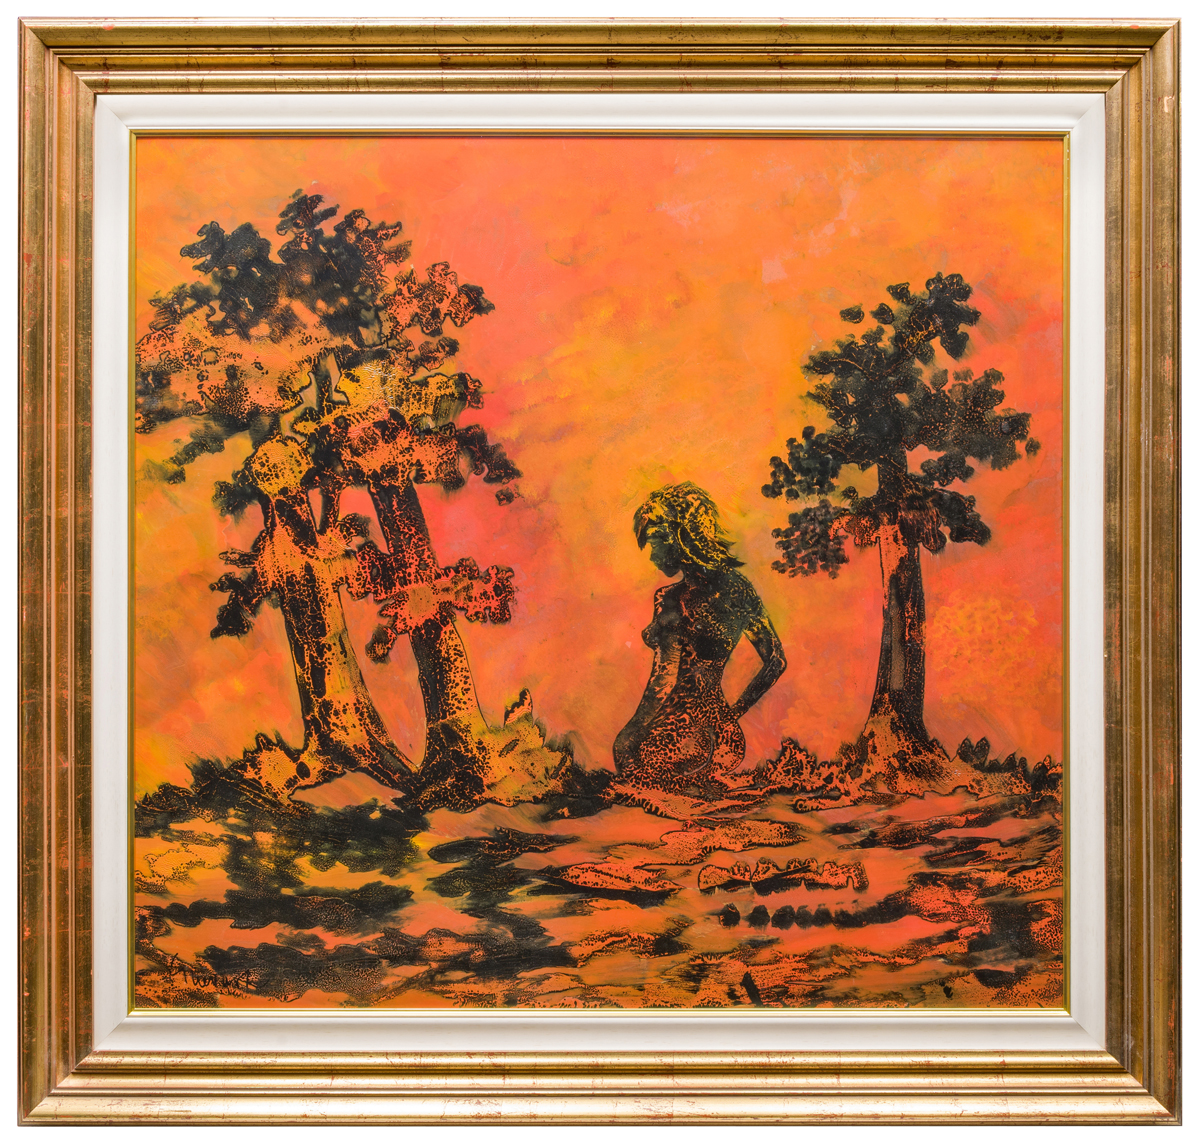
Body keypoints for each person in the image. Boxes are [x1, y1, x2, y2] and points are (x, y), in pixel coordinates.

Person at [614, 482, 786, 793]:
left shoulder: (670, 599)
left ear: (677, 536)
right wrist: (732, 715)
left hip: (678, 738)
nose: (652, 555)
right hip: (726, 740)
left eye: (654, 541)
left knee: (628, 762)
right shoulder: (740, 588)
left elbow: (663, 682)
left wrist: (628, 738)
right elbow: (776, 661)